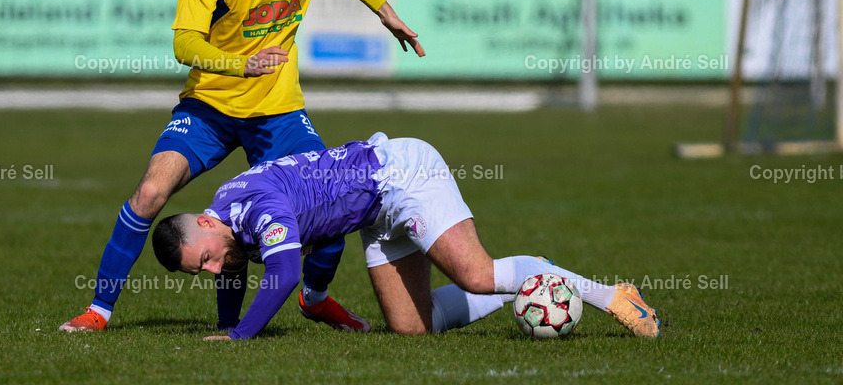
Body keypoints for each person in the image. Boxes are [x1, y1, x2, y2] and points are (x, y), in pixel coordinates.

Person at [60, 0, 424, 332]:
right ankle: (99, 311)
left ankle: (314, 298)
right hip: (210, 107)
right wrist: (241, 63)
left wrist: (382, 9)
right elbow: (184, 43)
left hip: (277, 111)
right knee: (150, 191)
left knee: (330, 207)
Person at [152, 133, 661, 340]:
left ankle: (611, 295)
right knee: (413, 328)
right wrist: (225, 326)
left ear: (205, 223)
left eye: (208, 259)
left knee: (480, 276)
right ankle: (532, 269)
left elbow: (284, 273)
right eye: (203, 271)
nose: (216, 269)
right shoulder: (222, 218)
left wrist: (240, 337)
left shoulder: (257, 209)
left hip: (402, 177)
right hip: (375, 212)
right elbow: (234, 266)